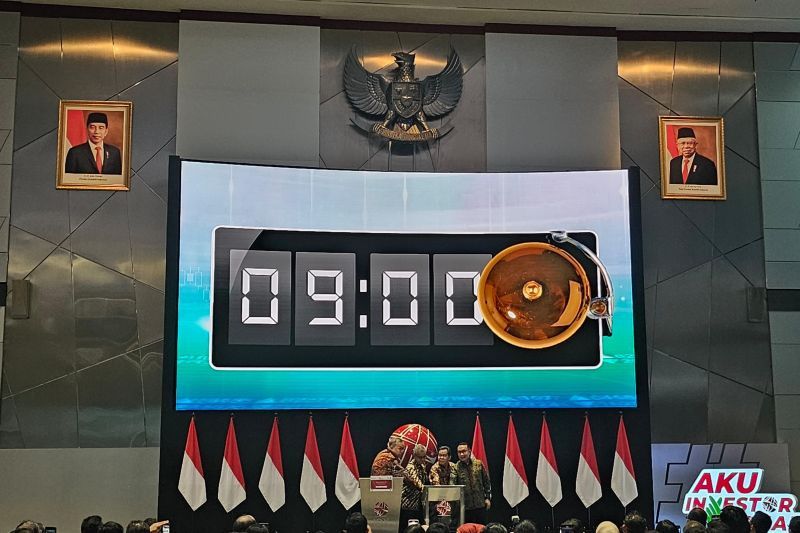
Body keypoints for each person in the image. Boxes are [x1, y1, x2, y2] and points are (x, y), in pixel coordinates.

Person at [454, 442, 491, 525]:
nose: (462, 454)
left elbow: (486, 482)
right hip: (465, 507)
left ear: (469, 451)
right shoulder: (455, 468)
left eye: (464, 451)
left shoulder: (478, 464)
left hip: (480, 505)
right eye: (459, 452)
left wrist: (487, 498)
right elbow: (453, 486)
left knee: (482, 528)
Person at [401, 444, 428, 530]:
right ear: (414, 456)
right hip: (408, 503)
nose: (423, 459)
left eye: (424, 457)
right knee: (408, 528)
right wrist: (427, 490)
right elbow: (417, 483)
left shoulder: (422, 466)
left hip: (418, 503)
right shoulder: (410, 467)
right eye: (420, 457)